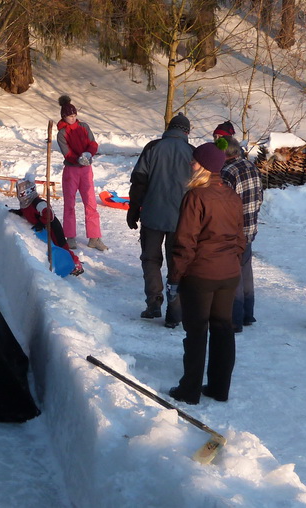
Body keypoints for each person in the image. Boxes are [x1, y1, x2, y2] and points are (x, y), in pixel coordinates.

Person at [167, 143, 246, 406]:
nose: (191, 164)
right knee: (223, 329)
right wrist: (231, 261)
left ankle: (189, 390)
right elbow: (240, 238)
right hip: (228, 274)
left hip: (200, 275)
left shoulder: (196, 196)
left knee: (197, 331)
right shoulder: (231, 196)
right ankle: (219, 388)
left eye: (195, 161)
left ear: (204, 166)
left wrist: (175, 277)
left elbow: (184, 242)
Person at [126, 113, 194, 328]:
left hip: (152, 215)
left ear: (169, 128)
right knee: (177, 263)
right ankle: (174, 310)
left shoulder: (153, 147)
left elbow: (139, 180)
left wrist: (133, 209)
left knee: (150, 259)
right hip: (181, 220)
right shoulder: (192, 152)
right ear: (187, 132)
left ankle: (154, 301)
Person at [219, 134, 263, 332]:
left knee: (232, 274)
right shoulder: (251, 166)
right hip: (249, 228)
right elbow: (260, 196)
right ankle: (247, 313)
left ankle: (234, 319)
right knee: (245, 271)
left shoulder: (227, 172)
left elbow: (224, 205)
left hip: (233, 230)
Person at [56, 95, 107, 251]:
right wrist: (78, 159)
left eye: (74, 115)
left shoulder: (84, 126)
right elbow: (67, 153)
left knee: (91, 202)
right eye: (70, 116)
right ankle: (70, 236)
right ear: (64, 117)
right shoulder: (62, 133)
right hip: (71, 170)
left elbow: (93, 143)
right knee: (69, 203)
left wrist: (89, 153)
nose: (73, 118)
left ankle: (94, 237)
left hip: (86, 170)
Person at [11, 178, 83, 276]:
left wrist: (41, 223)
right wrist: (19, 212)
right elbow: (27, 212)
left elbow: (49, 213)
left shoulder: (37, 203)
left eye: (21, 191)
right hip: (44, 228)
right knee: (53, 248)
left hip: (52, 227)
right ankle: (59, 264)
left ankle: (75, 263)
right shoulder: (26, 204)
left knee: (61, 246)